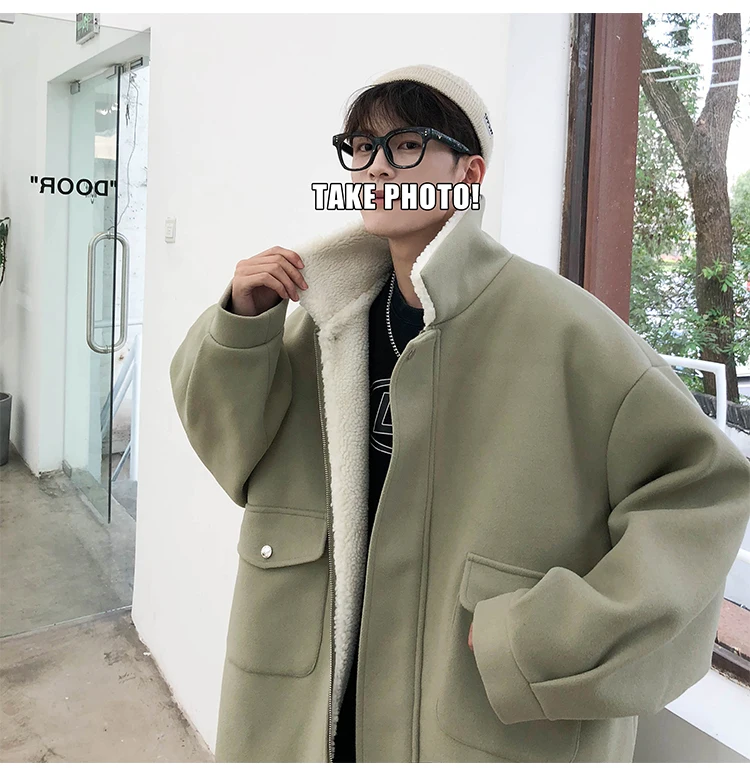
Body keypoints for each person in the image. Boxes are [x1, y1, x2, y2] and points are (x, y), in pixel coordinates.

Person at [169, 64, 750, 763]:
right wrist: (241, 324)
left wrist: (550, 636)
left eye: (405, 144)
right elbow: (232, 450)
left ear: (470, 173)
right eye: (362, 147)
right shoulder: (324, 321)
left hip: (462, 708)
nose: (377, 167)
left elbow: (703, 491)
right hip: (312, 695)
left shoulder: (561, 329)